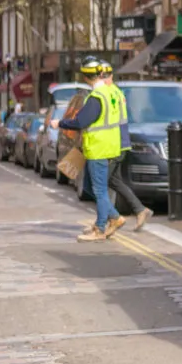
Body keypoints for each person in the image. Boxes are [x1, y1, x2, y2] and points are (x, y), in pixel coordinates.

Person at [52, 56, 126, 242]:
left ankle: (101, 228)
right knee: (95, 188)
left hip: (98, 147)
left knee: (99, 190)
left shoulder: (95, 98)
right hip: (111, 145)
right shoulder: (111, 92)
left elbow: (81, 121)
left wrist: (59, 122)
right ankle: (113, 218)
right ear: (101, 73)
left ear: (85, 78)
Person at [100, 60, 153, 231]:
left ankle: (107, 222)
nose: (103, 79)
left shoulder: (107, 94)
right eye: (101, 76)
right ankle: (140, 210)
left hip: (113, 145)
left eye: (105, 76)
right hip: (120, 144)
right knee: (114, 182)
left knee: (99, 185)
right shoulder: (116, 92)